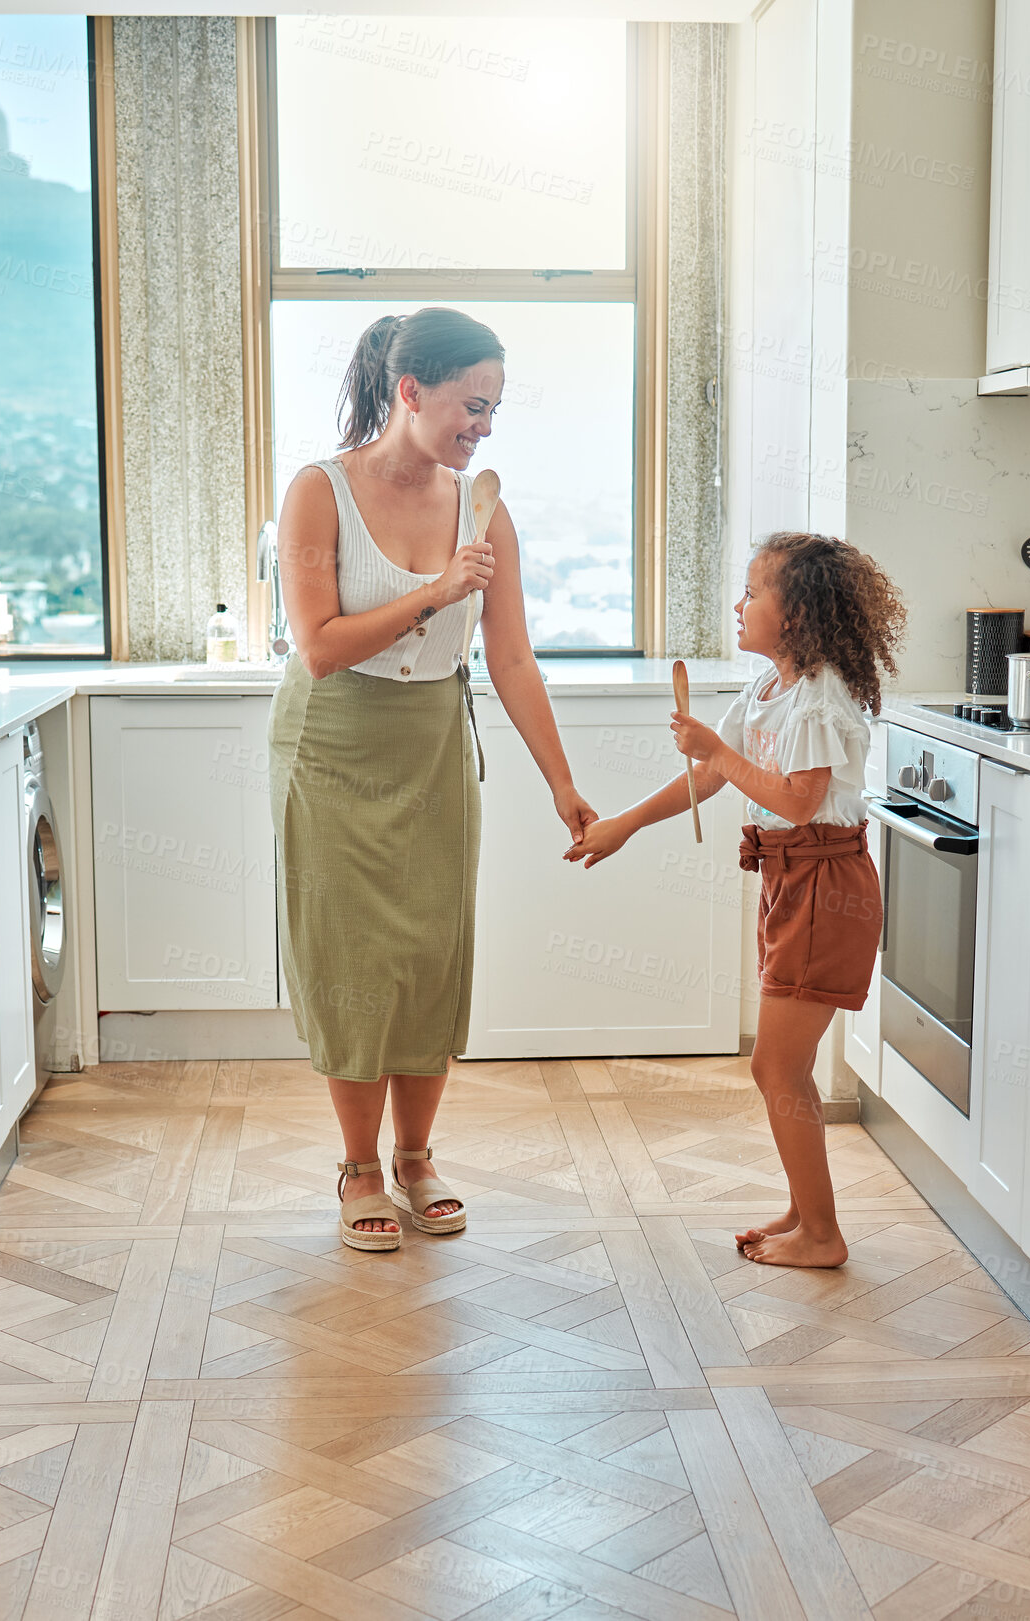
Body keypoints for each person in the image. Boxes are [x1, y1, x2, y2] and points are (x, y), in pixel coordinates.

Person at [269, 306, 598, 1252]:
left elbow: (513, 661)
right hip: (333, 745)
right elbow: (319, 647)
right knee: (350, 960)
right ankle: (359, 1166)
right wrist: (435, 591)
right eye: (471, 405)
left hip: (432, 748)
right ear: (409, 392)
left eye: (492, 410)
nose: (483, 427)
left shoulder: (484, 510)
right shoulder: (318, 491)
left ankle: (417, 1159)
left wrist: (560, 784)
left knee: (426, 952)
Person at [565, 532, 906, 1268]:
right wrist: (623, 824)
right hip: (791, 881)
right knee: (786, 1067)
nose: (738, 603)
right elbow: (711, 777)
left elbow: (799, 799)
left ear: (796, 613)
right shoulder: (769, 688)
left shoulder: (818, 696)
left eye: (753, 591)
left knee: (774, 1067)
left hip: (823, 884)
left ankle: (823, 1235)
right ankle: (804, 1211)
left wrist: (716, 753)